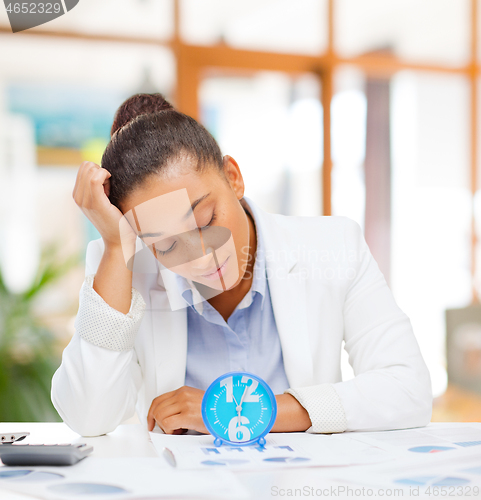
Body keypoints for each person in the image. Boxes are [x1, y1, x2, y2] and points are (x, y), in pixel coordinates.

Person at [51, 93, 432, 437]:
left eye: (205, 221)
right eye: (166, 244)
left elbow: (408, 388)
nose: (201, 254)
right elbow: (88, 417)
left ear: (233, 178)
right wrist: (117, 248)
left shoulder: (333, 246)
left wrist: (246, 411)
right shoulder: (127, 267)